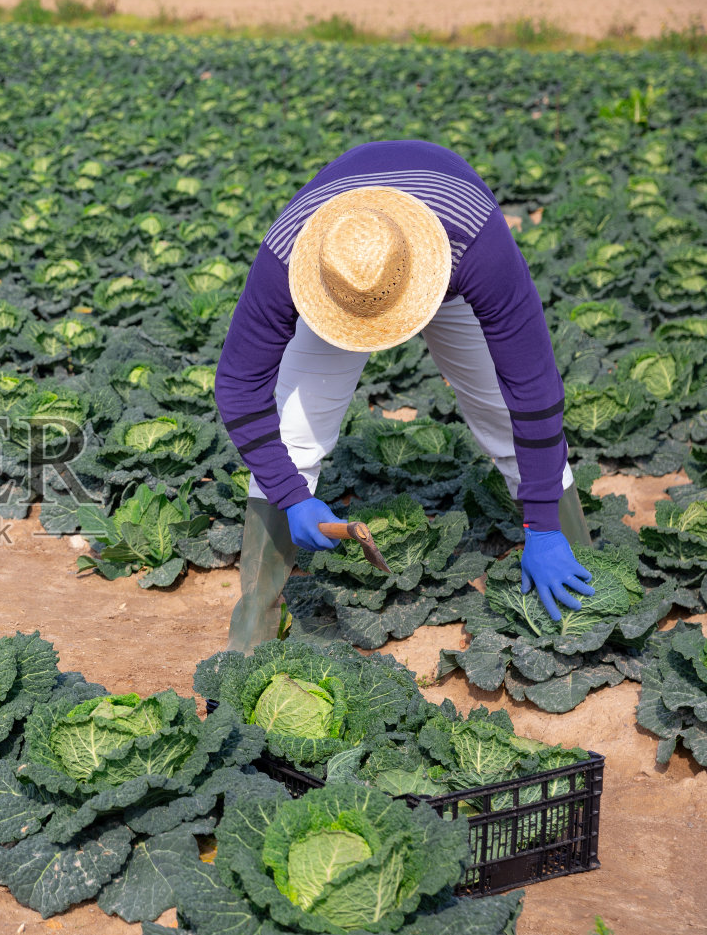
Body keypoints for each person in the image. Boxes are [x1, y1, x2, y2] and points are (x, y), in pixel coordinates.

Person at [215, 139, 595, 654]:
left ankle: (579, 583)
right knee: (295, 437)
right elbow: (238, 385)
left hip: (449, 261)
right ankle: (251, 638)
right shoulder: (291, 256)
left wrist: (543, 527)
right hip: (335, 279)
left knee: (504, 419)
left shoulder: (477, 244)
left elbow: (533, 389)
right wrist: (292, 496)